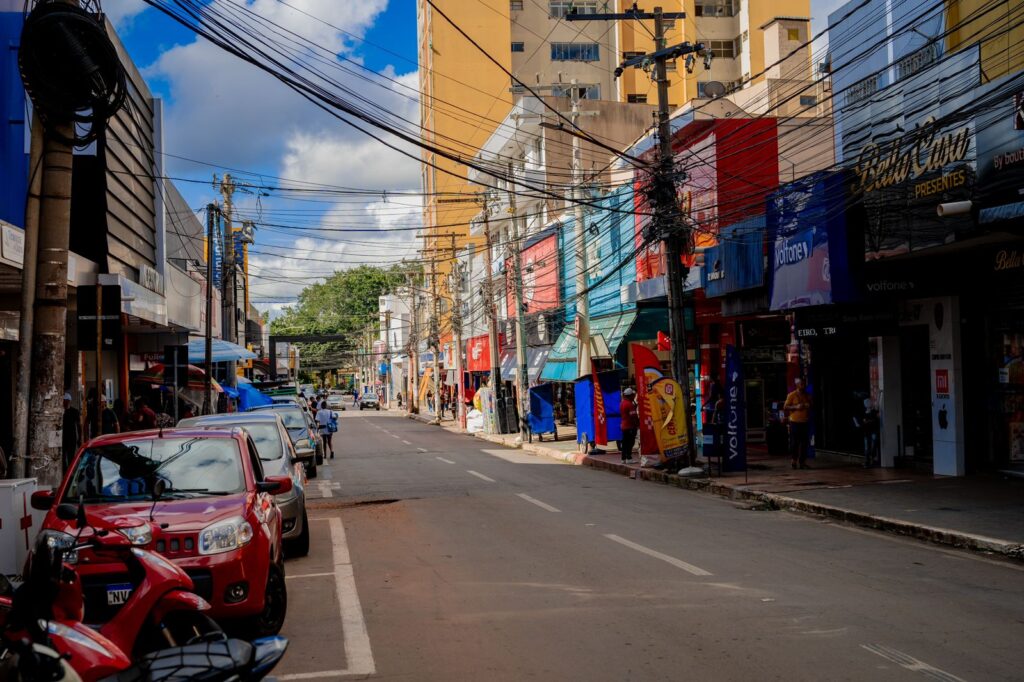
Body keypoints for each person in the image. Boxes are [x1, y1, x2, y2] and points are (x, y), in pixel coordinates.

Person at [784, 378, 812, 469]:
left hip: (804, 422)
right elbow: (786, 407)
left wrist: (808, 405)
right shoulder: (791, 395)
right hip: (795, 422)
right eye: (801, 384)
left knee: (804, 443)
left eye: (804, 384)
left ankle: (802, 462)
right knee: (795, 443)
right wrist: (796, 407)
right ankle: (794, 461)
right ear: (797, 385)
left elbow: (811, 404)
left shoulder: (807, 395)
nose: (803, 385)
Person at [857, 397, 880, 468]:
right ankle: (867, 461)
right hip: (867, 432)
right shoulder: (864, 413)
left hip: (873, 431)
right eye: (866, 403)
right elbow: (862, 422)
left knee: (873, 444)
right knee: (867, 447)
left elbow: (875, 420)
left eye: (868, 402)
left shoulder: (874, 412)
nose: (867, 404)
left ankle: (872, 459)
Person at [619, 387, 639, 464]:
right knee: (630, 443)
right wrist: (637, 424)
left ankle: (623, 458)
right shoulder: (629, 404)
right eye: (633, 395)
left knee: (625, 443)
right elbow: (633, 416)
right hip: (630, 426)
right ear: (630, 396)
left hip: (624, 426)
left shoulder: (622, 403)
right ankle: (629, 458)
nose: (634, 396)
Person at [61, 392, 81, 470]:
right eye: (63, 400)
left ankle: (70, 472)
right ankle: (65, 471)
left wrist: (79, 438)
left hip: (72, 438)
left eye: (66, 400)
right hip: (62, 437)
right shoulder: (60, 411)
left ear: (69, 401)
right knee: (62, 457)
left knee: (71, 457)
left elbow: (79, 425)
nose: (64, 402)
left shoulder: (75, 412)